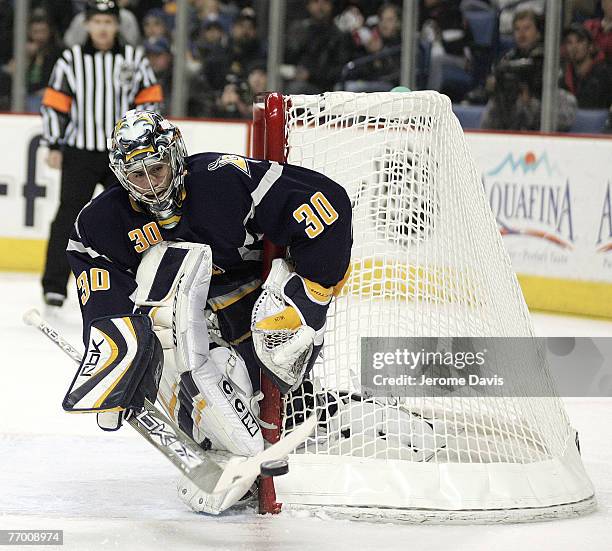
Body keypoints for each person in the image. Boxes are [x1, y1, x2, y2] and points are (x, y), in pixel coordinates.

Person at [65, 109, 352, 512]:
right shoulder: (101, 222)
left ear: (176, 157)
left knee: (251, 385)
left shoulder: (222, 179)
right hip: (195, 316)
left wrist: (312, 293)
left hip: (258, 306)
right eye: (137, 175)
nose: (149, 185)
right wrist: (115, 356)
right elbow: (96, 275)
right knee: (162, 345)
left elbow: (326, 202)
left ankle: (320, 416)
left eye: (157, 169)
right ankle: (221, 448)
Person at [40, 0, 162, 308]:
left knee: (128, 218)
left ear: (117, 25)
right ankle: (54, 285)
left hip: (123, 155)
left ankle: (131, 280)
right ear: (88, 25)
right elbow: (56, 102)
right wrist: (54, 143)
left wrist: (143, 141)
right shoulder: (71, 59)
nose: (103, 28)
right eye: (97, 22)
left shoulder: (134, 58)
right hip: (80, 150)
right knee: (68, 216)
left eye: (108, 22)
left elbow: (150, 101)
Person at [481, 9, 576, 131]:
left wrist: (531, 101)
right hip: (514, 110)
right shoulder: (507, 59)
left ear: (538, 33)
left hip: (544, 104)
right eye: (517, 29)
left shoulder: (548, 57)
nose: (521, 34)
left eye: (527, 28)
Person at [285, 0, 353, 94]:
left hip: (323, 87)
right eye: (316, 1)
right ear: (308, 5)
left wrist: (310, 75)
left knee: (296, 89)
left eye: (325, 2)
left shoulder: (338, 35)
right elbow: (287, 57)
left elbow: (340, 70)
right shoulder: (299, 30)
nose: (320, 6)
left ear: (331, 6)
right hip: (292, 78)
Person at [560, 24, 612, 109]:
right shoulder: (565, 78)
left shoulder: (605, 75)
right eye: (569, 42)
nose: (574, 47)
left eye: (580, 41)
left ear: (591, 47)